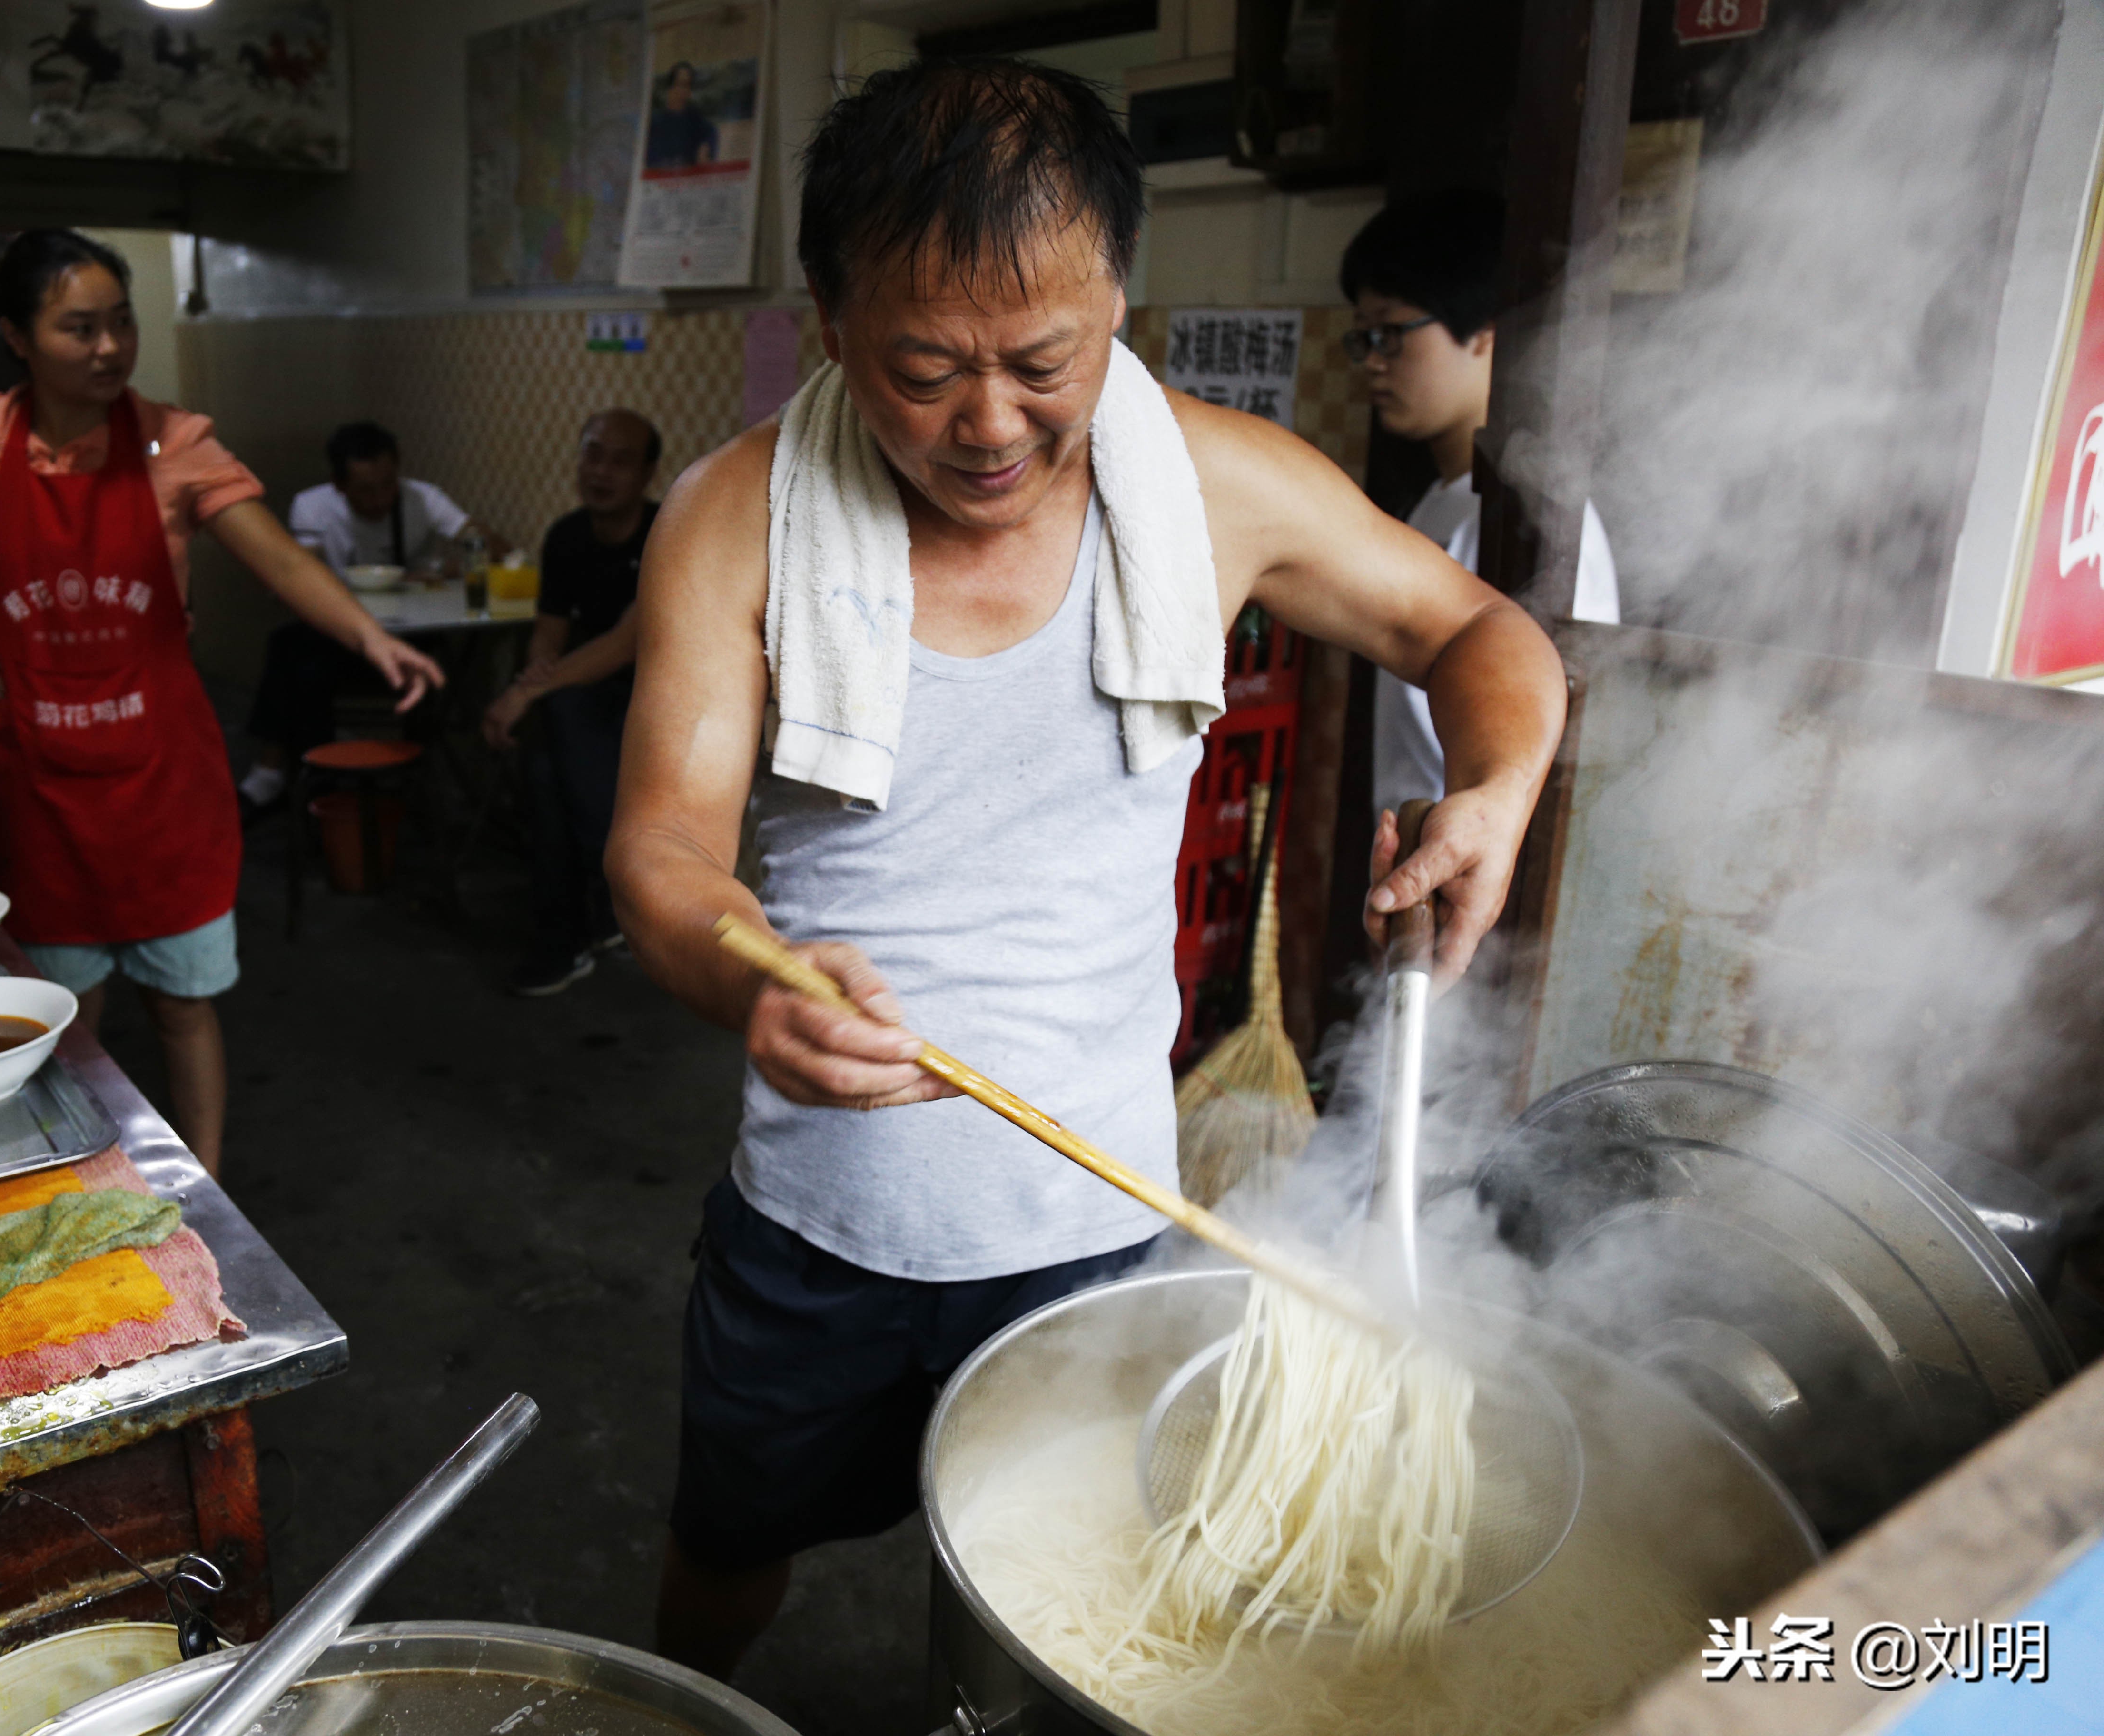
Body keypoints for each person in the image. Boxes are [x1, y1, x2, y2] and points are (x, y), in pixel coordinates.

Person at [604, 59, 1568, 1679]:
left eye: (1045, 360)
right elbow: (665, 838)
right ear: (832, 324)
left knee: (1044, 1594)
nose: (990, 425)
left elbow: (1469, 625)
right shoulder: (735, 516)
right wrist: (745, 970)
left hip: (1095, 1221)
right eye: (923, 370)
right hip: (820, 1218)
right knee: (725, 1548)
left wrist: (1496, 783)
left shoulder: (1209, 482)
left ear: (1118, 302)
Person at [0, 230, 443, 1173]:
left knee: (185, 1005)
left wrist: (366, 633)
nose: (109, 348)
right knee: (69, 1018)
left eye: (120, 323)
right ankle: (73, 1186)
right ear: (18, 338)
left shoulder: (174, 445)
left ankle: (209, 1197)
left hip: (162, 777)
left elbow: (275, 554)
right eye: (78, 328)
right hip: (44, 778)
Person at [1339, 190, 1621, 817]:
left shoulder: (1537, 522)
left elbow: (1568, 750)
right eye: (1362, 340)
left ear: (1485, 334)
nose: (1373, 365)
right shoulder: (1439, 505)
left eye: (1391, 333)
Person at [481, 409, 664, 996]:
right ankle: (594, 912)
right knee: (544, 757)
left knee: (553, 725)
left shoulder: (669, 532)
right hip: (585, 696)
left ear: (648, 473)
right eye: (592, 454)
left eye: (619, 460)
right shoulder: (566, 535)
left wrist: (526, 691)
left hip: (660, 698)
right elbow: (551, 633)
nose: (601, 471)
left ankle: (568, 932)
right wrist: (536, 674)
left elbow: (624, 643)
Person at [239, 423, 503, 809]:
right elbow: (300, 579)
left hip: (410, 638)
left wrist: (459, 562)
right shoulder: (314, 506)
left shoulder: (420, 498)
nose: (380, 499)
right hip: (340, 640)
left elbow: (487, 544)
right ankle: (320, 777)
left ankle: (278, 769)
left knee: (292, 652)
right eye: (366, 490)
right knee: (296, 653)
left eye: (388, 485)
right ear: (339, 484)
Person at [644, 61, 719, 170]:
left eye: (688, 86)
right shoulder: (655, 124)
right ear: (670, 88)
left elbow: (711, 134)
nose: (684, 91)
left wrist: (707, 147)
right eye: (681, 85)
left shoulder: (696, 121)